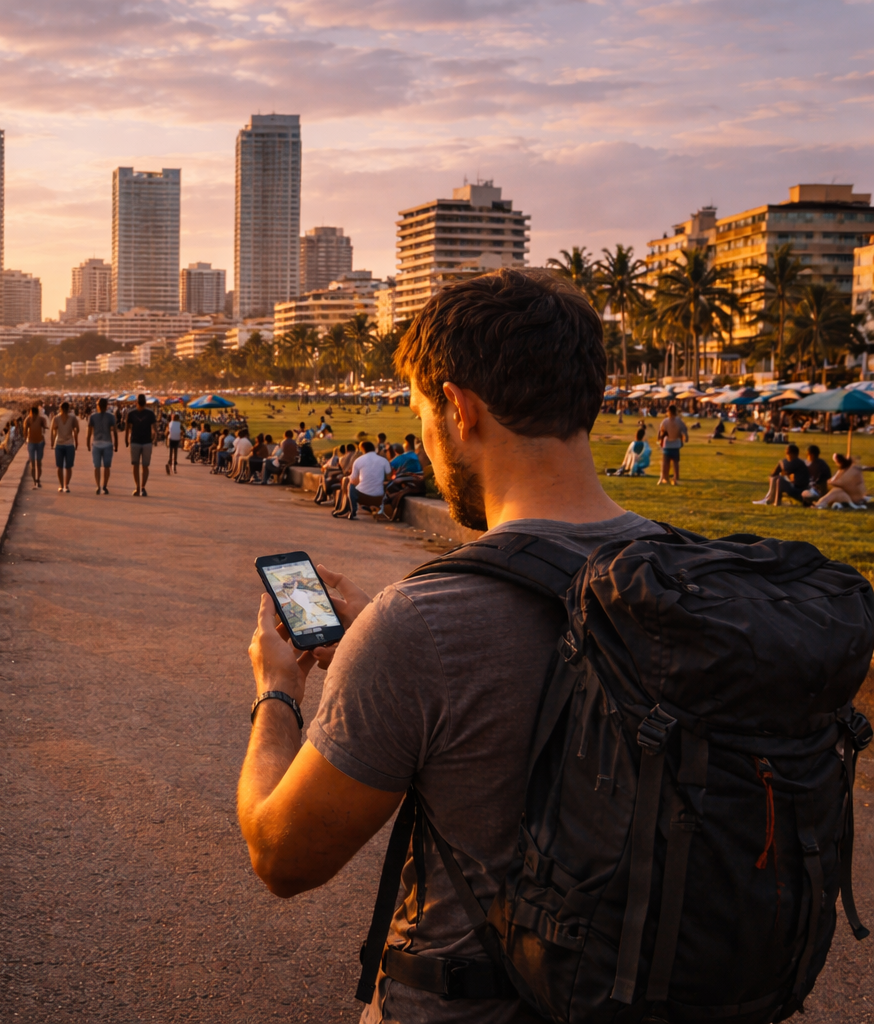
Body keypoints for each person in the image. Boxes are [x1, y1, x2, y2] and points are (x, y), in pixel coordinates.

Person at [238, 268, 657, 1024]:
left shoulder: (422, 626)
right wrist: (376, 637)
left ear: (458, 408)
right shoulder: (685, 575)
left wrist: (276, 693)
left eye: (421, 414)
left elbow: (281, 855)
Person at [334, 440, 387, 518]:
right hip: (378, 497)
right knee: (348, 480)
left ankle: (349, 509)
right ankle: (346, 508)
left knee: (348, 483)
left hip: (365, 497)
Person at [86, 397, 118, 495]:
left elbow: (89, 432)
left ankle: (98, 486)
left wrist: (88, 443)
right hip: (107, 444)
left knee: (97, 467)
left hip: (96, 444)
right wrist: (116, 444)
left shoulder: (93, 416)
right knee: (107, 467)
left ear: (98, 406)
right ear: (107, 405)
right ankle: (104, 486)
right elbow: (115, 432)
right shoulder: (111, 416)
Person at [50, 400, 80, 494]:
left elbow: (77, 428)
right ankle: (62, 485)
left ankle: (65, 485)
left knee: (67, 466)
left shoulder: (72, 418)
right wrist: (52, 442)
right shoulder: (56, 418)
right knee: (60, 466)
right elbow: (53, 430)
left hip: (68, 444)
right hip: (60, 444)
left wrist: (75, 432)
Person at [657, 403, 688, 485]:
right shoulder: (679, 421)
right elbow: (684, 430)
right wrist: (685, 439)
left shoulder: (665, 421)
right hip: (676, 444)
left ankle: (664, 477)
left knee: (665, 463)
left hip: (667, 444)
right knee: (675, 463)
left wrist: (660, 440)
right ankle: (675, 478)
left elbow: (661, 432)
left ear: (668, 411)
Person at [22, 404, 47, 489]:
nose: (32, 415)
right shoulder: (28, 420)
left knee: (38, 464)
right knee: (34, 464)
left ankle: (37, 480)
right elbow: (25, 430)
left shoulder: (40, 419)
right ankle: (35, 481)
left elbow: (44, 427)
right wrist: (26, 439)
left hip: (38, 443)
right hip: (32, 443)